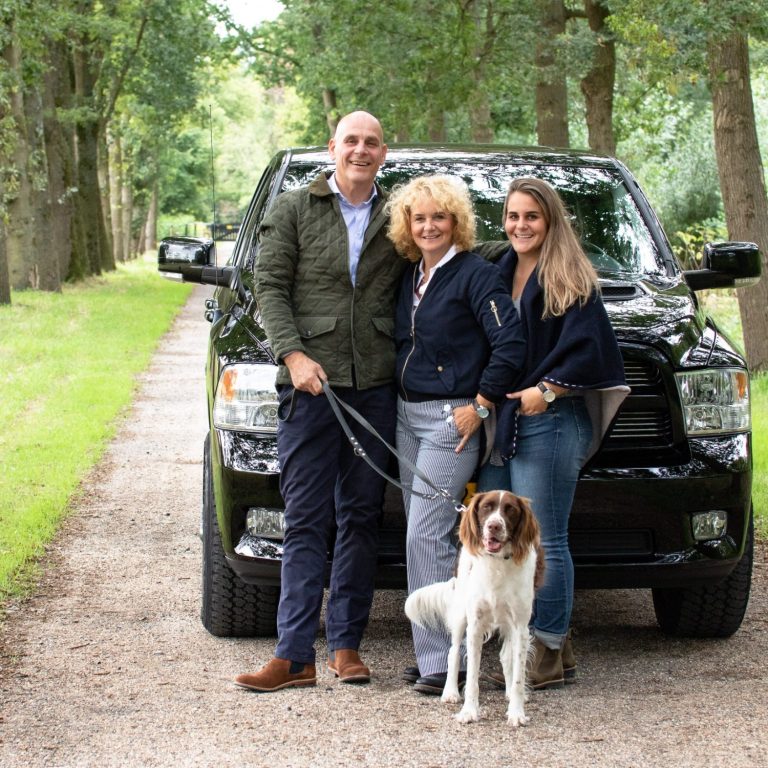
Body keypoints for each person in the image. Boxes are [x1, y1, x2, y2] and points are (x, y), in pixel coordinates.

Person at [235, 111, 406, 693]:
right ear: (332, 148)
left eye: (371, 143)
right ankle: (292, 655)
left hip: (376, 386)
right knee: (306, 517)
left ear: (384, 153)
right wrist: (292, 355)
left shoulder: (399, 214)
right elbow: (270, 286)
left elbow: (448, 252)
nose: (360, 150)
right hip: (309, 388)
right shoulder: (293, 208)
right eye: (351, 141)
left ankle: (347, 645)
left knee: (361, 515)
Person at [478, 177, 629, 690]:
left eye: (532, 217)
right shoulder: (497, 270)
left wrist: (551, 388)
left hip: (552, 420)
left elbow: (592, 348)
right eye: (513, 216)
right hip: (504, 422)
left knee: (546, 541)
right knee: (503, 537)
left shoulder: (570, 276)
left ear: (550, 221)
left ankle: (544, 647)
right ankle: (547, 648)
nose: (521, 226)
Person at [387, 175, 527, 696]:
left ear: (456, 222)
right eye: (419, 218)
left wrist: (482, 404)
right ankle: (434, 652)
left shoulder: (475, 275)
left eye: (438, 217)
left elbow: (509, 343)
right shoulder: (411, 275)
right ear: (408, 226)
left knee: (425, 531)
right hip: (406, 415)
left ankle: (448, 664)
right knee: (420, 532)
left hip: (454, 420)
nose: (428, 226)